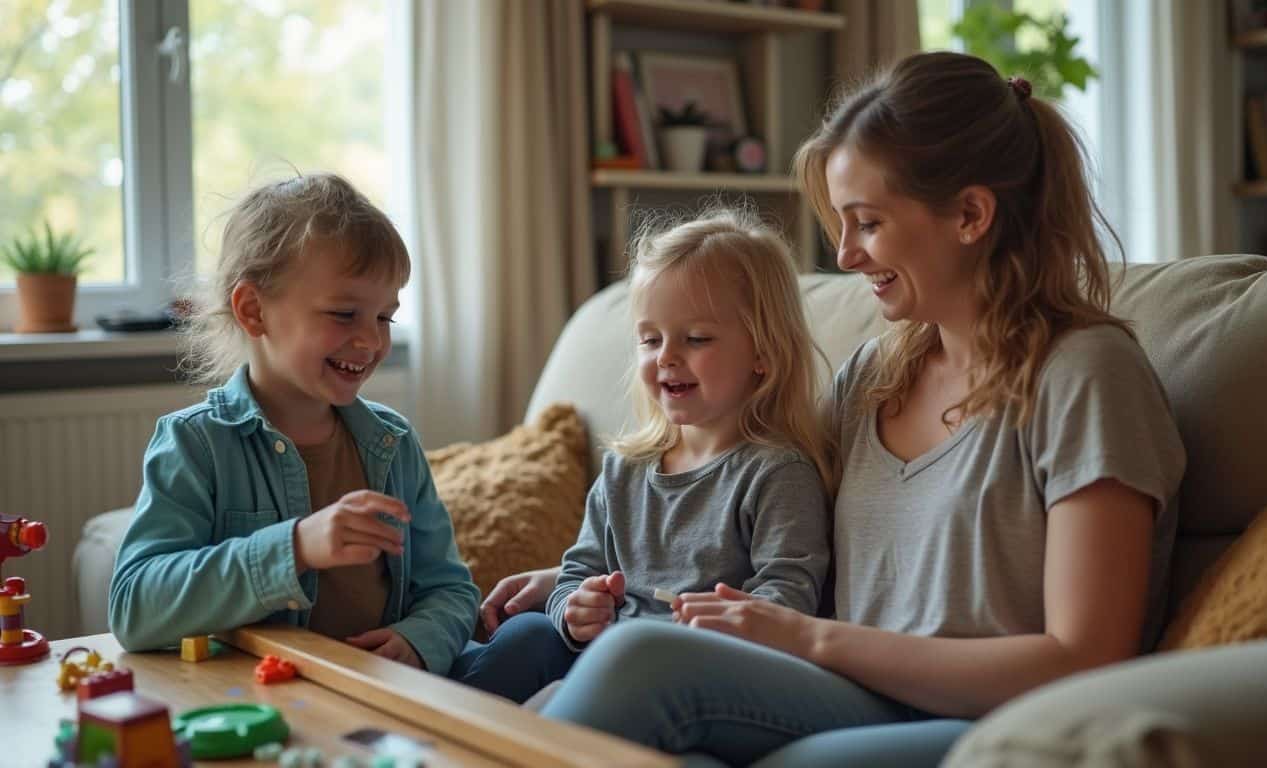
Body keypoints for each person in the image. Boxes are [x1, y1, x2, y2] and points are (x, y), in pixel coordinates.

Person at [489, 52, 1186, 766]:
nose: (847, 256)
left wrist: (810, 639)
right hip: (842, 693)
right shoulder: (875, 377)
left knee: (644, 662)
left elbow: (1084, 659)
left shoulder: (1087, 376)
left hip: (988, 720)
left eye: (868, 223)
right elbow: (754, 508)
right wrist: (587, 579)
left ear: (971, 215)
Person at [450, 209, 833, 704]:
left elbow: (789, 600)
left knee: (601, 665)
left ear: (763, 351)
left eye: (696, 338)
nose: (666, 357)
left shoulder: (777, 474)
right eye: (650, 340)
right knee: (527, 633)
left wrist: (722, 619)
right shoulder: (624, 469)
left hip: (686, 672)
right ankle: (435, 726)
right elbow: (575, 575)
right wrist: (574, 610)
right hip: (599, 654)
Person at [108, 173, 479, 675]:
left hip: (391, 692)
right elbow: (135, 606)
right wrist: (296, 546)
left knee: (532, 641)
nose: (371, 341)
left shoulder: (393, 443)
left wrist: (417, 641)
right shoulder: (195, 443)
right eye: (345, 314)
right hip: (276, 702)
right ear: (253, 310)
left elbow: (450, 589)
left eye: (384, 318)